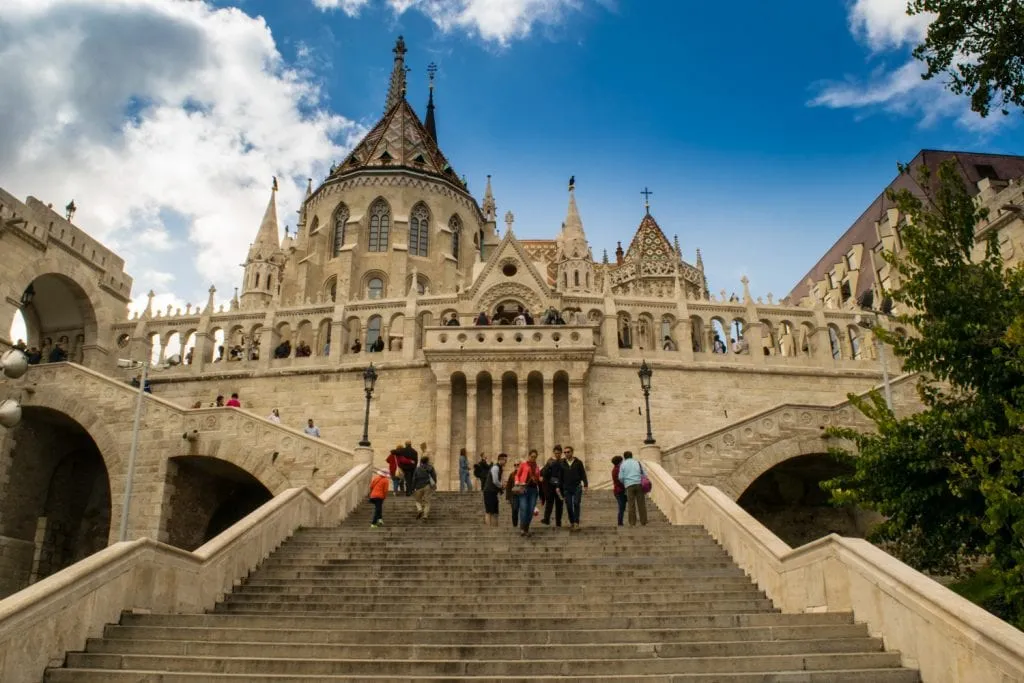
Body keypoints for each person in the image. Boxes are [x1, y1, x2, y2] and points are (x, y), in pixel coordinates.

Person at [514, 449, 542, 537]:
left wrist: (539, 479)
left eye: (535, 457)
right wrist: (517, 482)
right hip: (524, 488)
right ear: (529, 456)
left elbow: (538, 478)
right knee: (523, 508)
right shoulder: (523, 465)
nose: (533, 458)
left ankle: (526, 528)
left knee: (530, 510)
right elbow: (517, 475)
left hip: (533, 490)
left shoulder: (537, 467)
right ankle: (522, 528)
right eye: (532, 456)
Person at [560, 446, 588, 532]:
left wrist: (586, 484)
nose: (566, 454)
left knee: (576, 503)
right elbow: (560, 477)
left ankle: (576, 523)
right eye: (565, 452)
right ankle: (572, 521)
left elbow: (583, 473)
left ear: (572, 452)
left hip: (577, 486)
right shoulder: (562, 463)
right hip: (567, 488)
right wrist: (559, 488)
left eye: (568, 452)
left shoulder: (578, 462)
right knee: (568, 505)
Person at [617, 451, 648, 526]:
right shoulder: (637, 462)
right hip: (639, 484)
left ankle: (632, 523)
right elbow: (644, 474)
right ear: (632, 456)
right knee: (641, 504)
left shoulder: (623, 465)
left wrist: (625, 482)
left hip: (629, 485)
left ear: (624, 457)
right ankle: (643, 521)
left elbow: (620, 477)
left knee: (631, 504)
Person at [540, 445, 564, 527]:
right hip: (550, 486)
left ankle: (558, 522)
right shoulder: (550, 461)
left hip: (560, 486)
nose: (557, 454)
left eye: (559, 453)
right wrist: (550, 464)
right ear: (554, 453)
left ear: (561, 453)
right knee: (549, 502)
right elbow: (544, 472)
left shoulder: (563, 461)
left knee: (559, 504)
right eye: (556, 453)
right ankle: (546, 519)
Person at [483, 453, 507, 526]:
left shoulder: (499, 468)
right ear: (501, 460)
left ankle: (494, 528)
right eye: (505, 460)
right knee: (490, 511)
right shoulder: (495, 468)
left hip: (492, 492)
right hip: (489, 491)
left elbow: (498, 480)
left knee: (495, 512)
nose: (506, 462)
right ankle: (489, 529)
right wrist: (502, 486)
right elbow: (495, 481)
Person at [411, 456, 437, 521]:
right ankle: (425, 516)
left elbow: (414, 479)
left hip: (418, 487)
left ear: (421, 461)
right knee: (427, 502)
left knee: (417, 501)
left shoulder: (417, 469)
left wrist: (412, 488)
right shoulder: (431, 468)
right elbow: (434, 477)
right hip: (427, 486)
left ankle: (419, 509)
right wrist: (433, 484)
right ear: (427, 461)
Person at [611, 455, 627, 527]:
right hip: (619, 491)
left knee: (622, 507)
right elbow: (618, 481)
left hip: (620, 491)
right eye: (621, 461)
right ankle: (620, 522)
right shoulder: (616, 470)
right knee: (621, 507)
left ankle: (621, 522)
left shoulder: (617, 469)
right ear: (619, 462)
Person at [505, 461, 521, 528]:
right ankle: (515, 525)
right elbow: (508, 486)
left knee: (523, 511)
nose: (516, 466)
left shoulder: (523, 474)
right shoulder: (512, 474)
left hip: (522, 495)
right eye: (515, 465)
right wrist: (507, 498)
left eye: (518, 464)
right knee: (514, 510)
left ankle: (523, 526)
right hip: (513, 496)